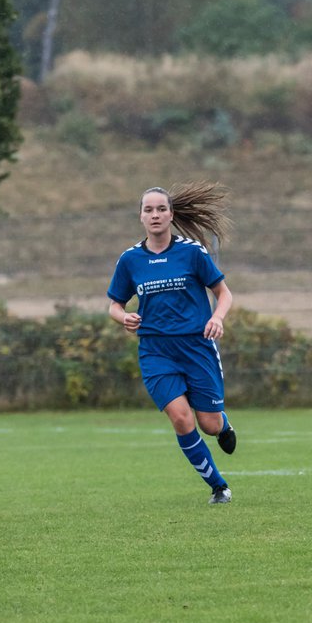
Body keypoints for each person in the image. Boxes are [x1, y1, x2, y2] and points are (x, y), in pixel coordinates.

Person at [108, 182, 238, 504]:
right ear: (140, 217)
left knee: (207, 424)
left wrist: (217, 318)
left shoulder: (192, 252)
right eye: (148, 210)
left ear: (171, 214)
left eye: (161, 209)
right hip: (156, 351)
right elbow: (114, 304)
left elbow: (223, 293)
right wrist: (122, 317)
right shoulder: (130, 260)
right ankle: (218, 487)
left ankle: (222, 425)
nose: (155, 215)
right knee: (181, 417)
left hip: (196, 347)